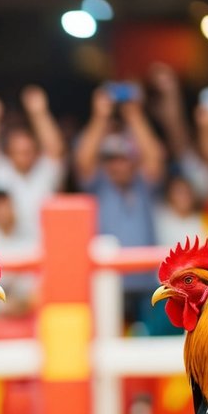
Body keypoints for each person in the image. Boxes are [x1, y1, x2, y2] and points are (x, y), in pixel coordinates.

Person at [74, 86, 166, 326]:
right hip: (108, 283)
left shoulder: (143, 184)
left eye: (123, 159)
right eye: (111, 160)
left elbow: (155, 156)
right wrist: (100, 117)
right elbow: (83, 158)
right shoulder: (98, 184)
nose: (117, 165)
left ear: (133, 162)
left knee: (148, 349)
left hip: (148, 282)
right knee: (109, 349)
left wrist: (135, 116)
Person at [0, 85, 65, 241]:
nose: (24, 156)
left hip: (40, 248)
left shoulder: (43, 173)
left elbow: (55, 150)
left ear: (36, 152)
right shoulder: (1, 173)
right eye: (18, 152)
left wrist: (39, 113)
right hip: (5, 248)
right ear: (9, 153)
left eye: (28, 151)